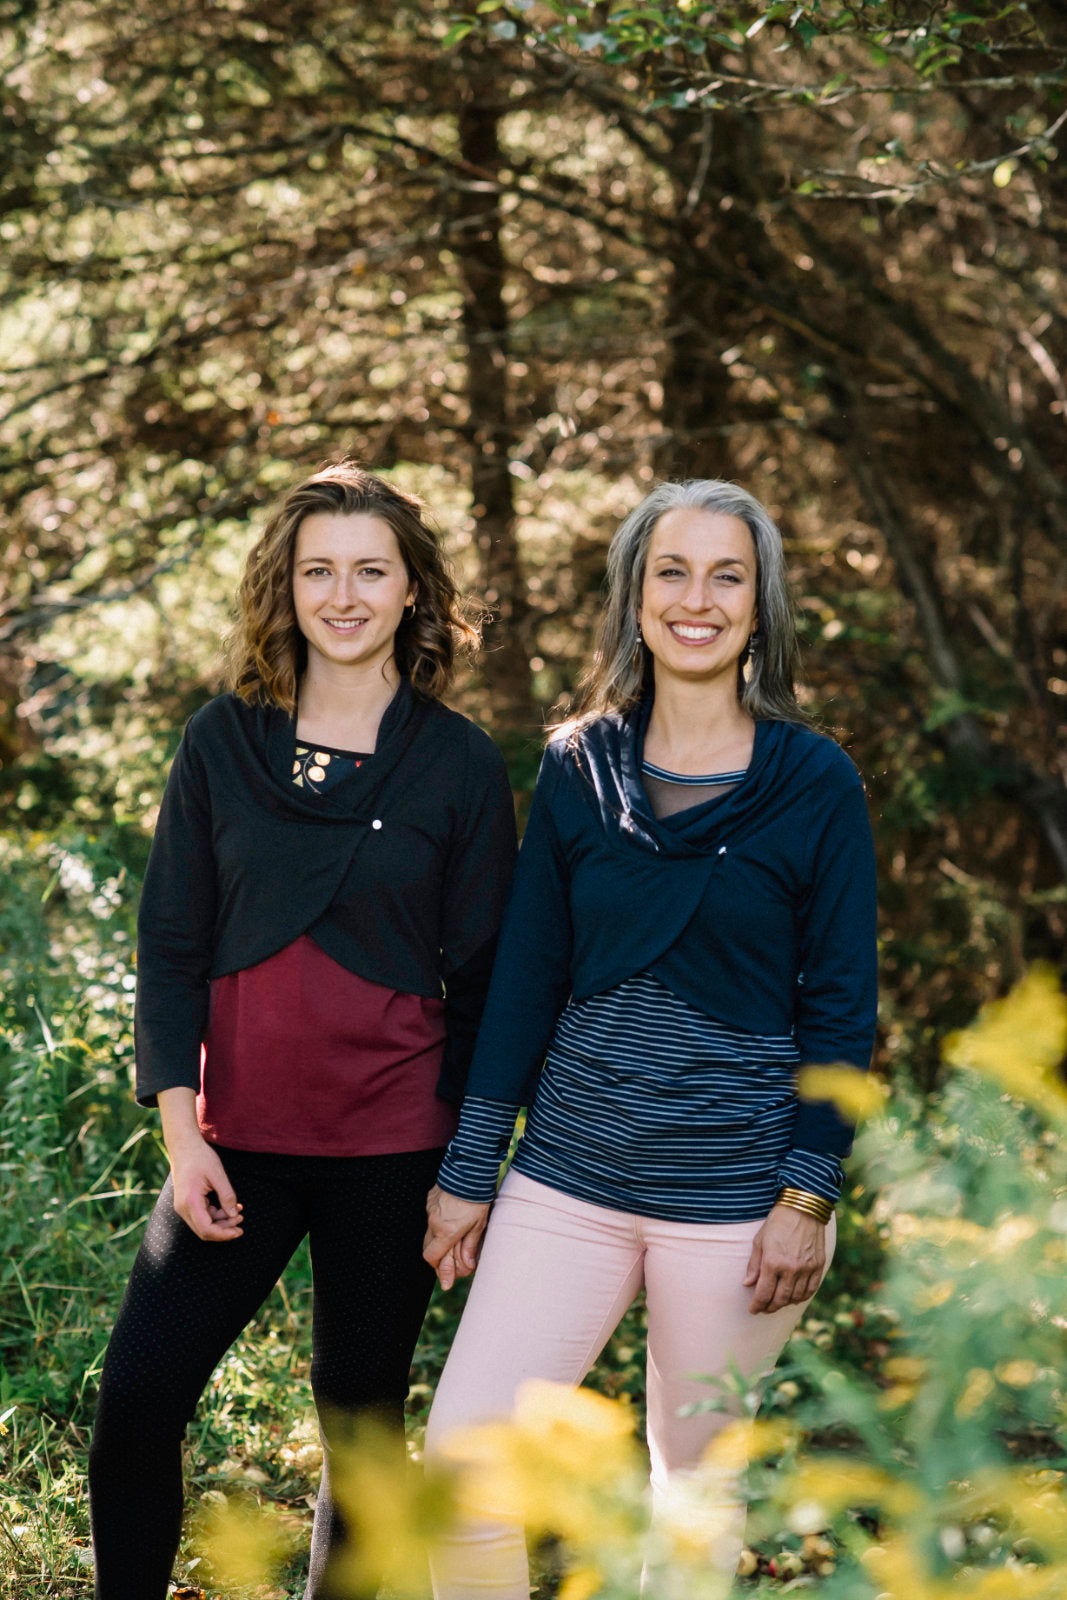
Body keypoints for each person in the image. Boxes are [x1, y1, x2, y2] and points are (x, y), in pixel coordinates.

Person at [422, 478, 878, 1598]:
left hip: (735, 1209)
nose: (696, 598)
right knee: (461, 1469)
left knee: (692, 1495)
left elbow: (841, 1005)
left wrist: (806, 1194)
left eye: (727, 576)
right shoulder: (578, 765)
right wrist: (468, 1167)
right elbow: (524, 979)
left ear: (758, 607)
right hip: (567, 1180)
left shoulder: (814, 782)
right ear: (633, 598)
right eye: (670, 571)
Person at [87, 461, 517, 1600]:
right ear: (282, 588)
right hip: (237, 1146)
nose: (343, 594)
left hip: (393, 1148)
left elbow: (483, 982)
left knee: (362, 1432)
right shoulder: (221, 742)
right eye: (317, 569)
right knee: (135, 1400)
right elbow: (171, 947)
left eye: (370, 570)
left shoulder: (459, 761)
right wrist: (184, 1141)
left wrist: (468, 1171)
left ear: (411, 590)